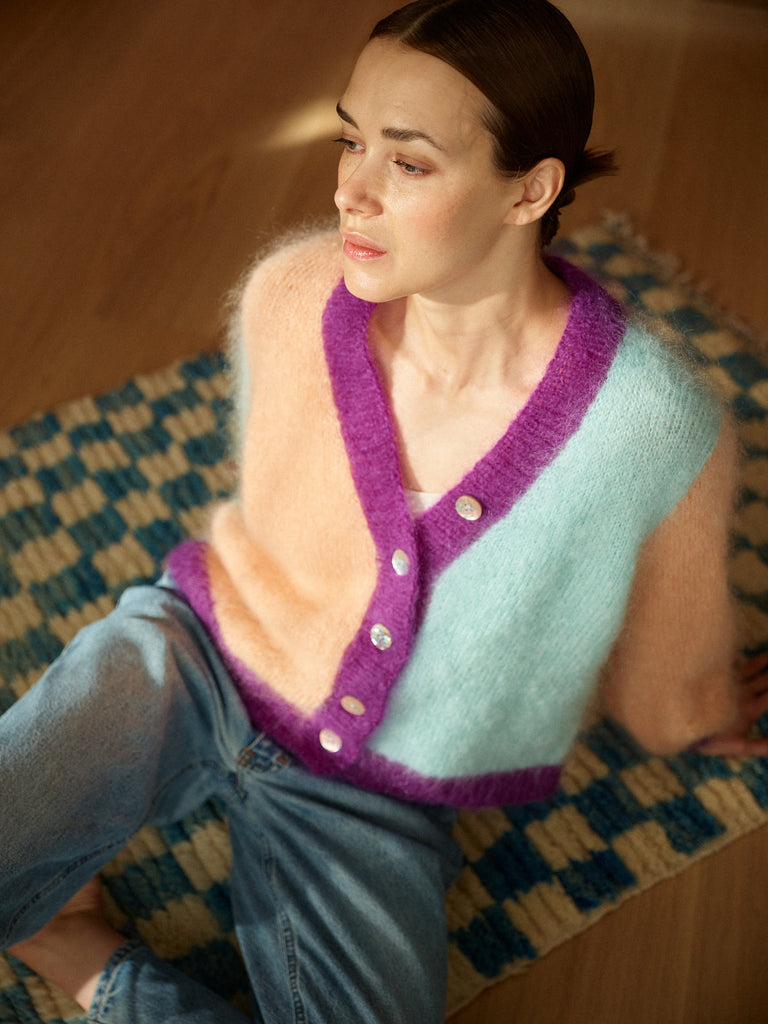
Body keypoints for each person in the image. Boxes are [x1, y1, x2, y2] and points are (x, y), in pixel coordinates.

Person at [3, 1, 768, 1020]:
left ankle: (84, 956)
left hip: (385, 777)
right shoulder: (289, 295)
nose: (348, 189)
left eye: (406, 163)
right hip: (194, 656)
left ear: (529, 190)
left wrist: (697, 710)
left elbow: (668, 646)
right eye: (350, 139)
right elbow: (281, 516)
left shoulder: (650, 419)